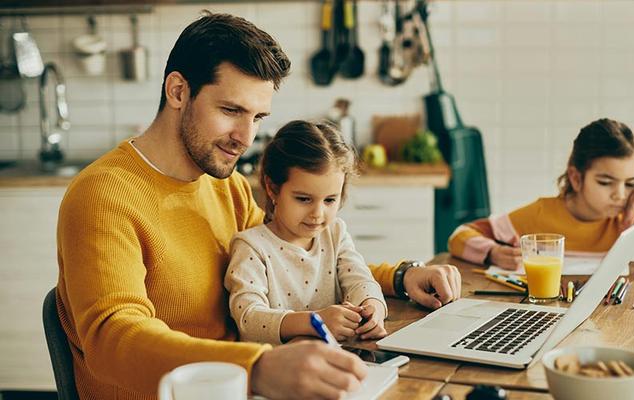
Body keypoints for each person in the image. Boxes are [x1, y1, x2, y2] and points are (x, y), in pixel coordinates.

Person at [56, 12, 461, 400]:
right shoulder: (104, 195)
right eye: (231, 111)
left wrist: (401, 276)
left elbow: (292, 255)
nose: (245, 137)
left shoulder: (225, 185)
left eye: (258, 117)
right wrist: (260, 368)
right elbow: (113, 341)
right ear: (178, 91)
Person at [226, 120, 388, 345]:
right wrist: (315, 321)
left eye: (330, 200)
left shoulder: (335, 233)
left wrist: (373, 307)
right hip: (279, 368)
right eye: (303, 199)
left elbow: (360, 280)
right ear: (273, 188)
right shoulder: (251, 246)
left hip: (334, 358)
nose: (318, 214)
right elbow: (249, 319)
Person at [448, 118, 634, 270]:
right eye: (605, 182)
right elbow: (459, 236)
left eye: (630, 183)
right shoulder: (538, 215)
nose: (620, 195)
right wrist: (493, 252)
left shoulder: (632, 222)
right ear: (576, 178)